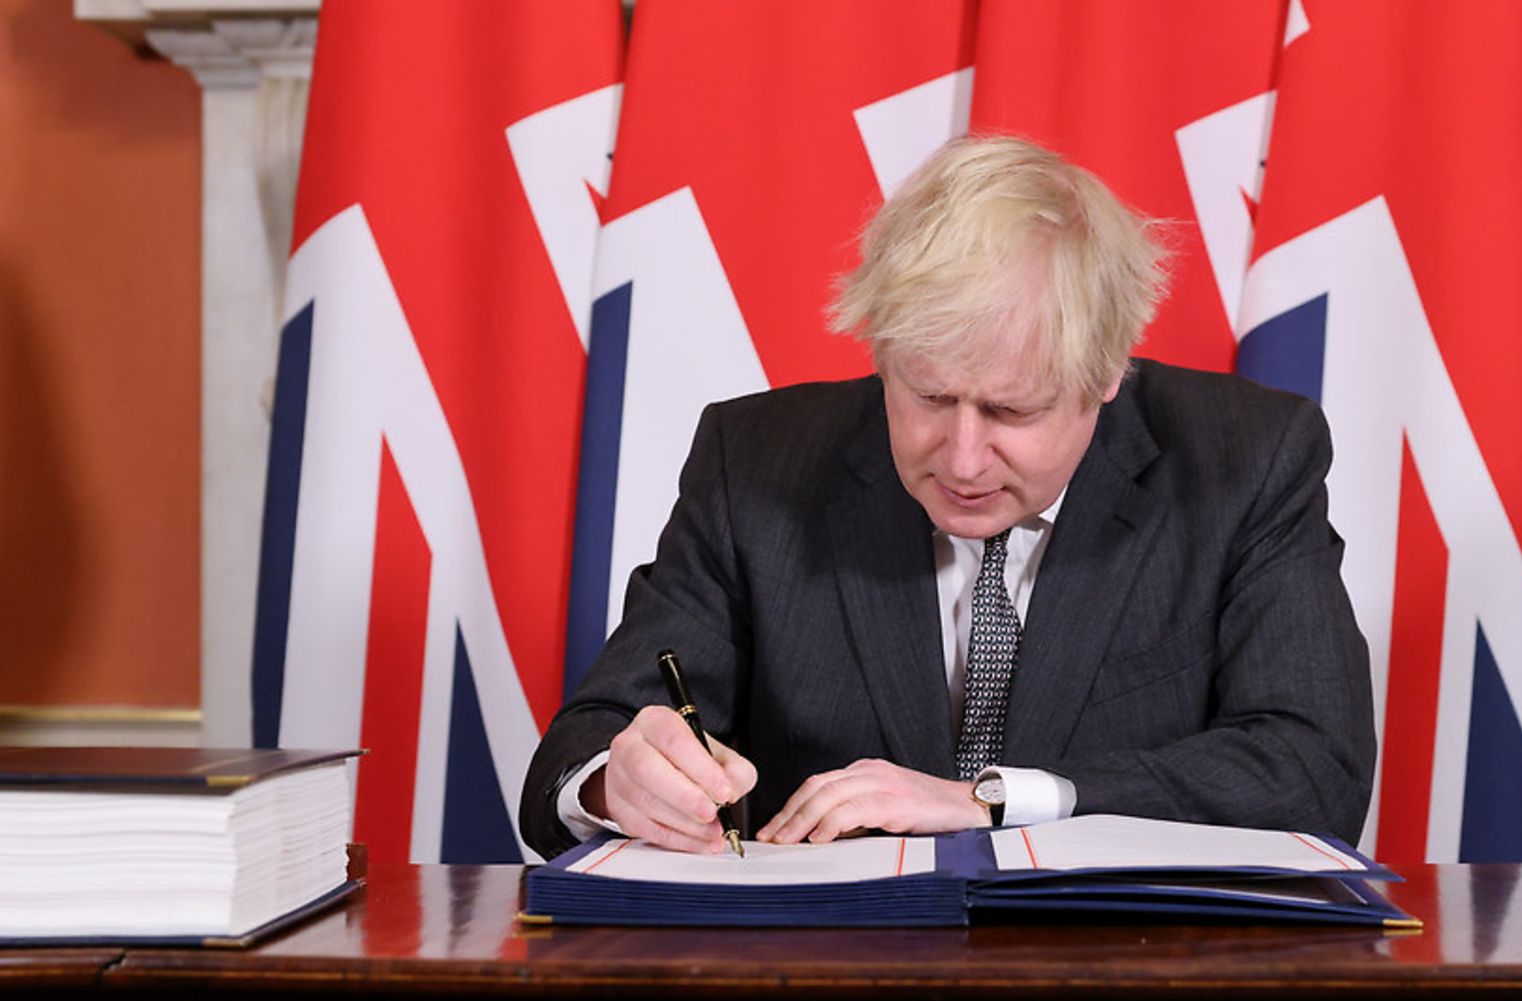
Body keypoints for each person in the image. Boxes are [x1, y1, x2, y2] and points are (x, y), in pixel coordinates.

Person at [518, 134, 1373, 860]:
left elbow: (1311, 770)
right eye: (927, 397)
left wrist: (990, 802)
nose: (963, 459)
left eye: (1012, 410)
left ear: (1109, 373)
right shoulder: (757, 462)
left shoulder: (1246, 460)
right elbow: (581, 745)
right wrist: (615, 781)